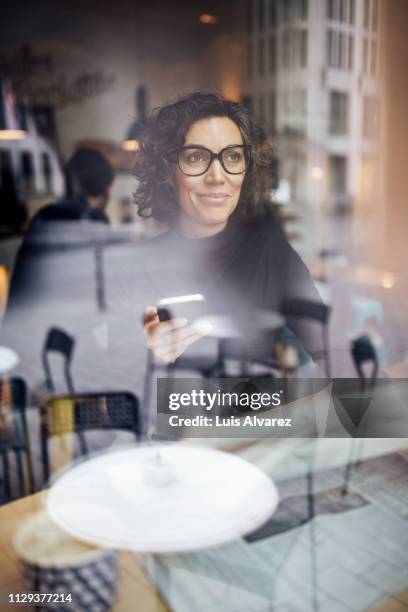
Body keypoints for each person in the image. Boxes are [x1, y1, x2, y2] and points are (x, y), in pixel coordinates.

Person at [135, 92, 323, 371]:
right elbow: (109, 386)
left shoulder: (274, 257)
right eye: (196, 157)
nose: (217, 176)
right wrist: (143, 358)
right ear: (167, 171)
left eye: (233, 156)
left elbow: (334, 354)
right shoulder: (136, 267)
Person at [5, 148, 114, 313]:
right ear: (103, 186)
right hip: (55, 323)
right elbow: (102, 285)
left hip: (22, 320)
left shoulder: (45, 214)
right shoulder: (92, 218)